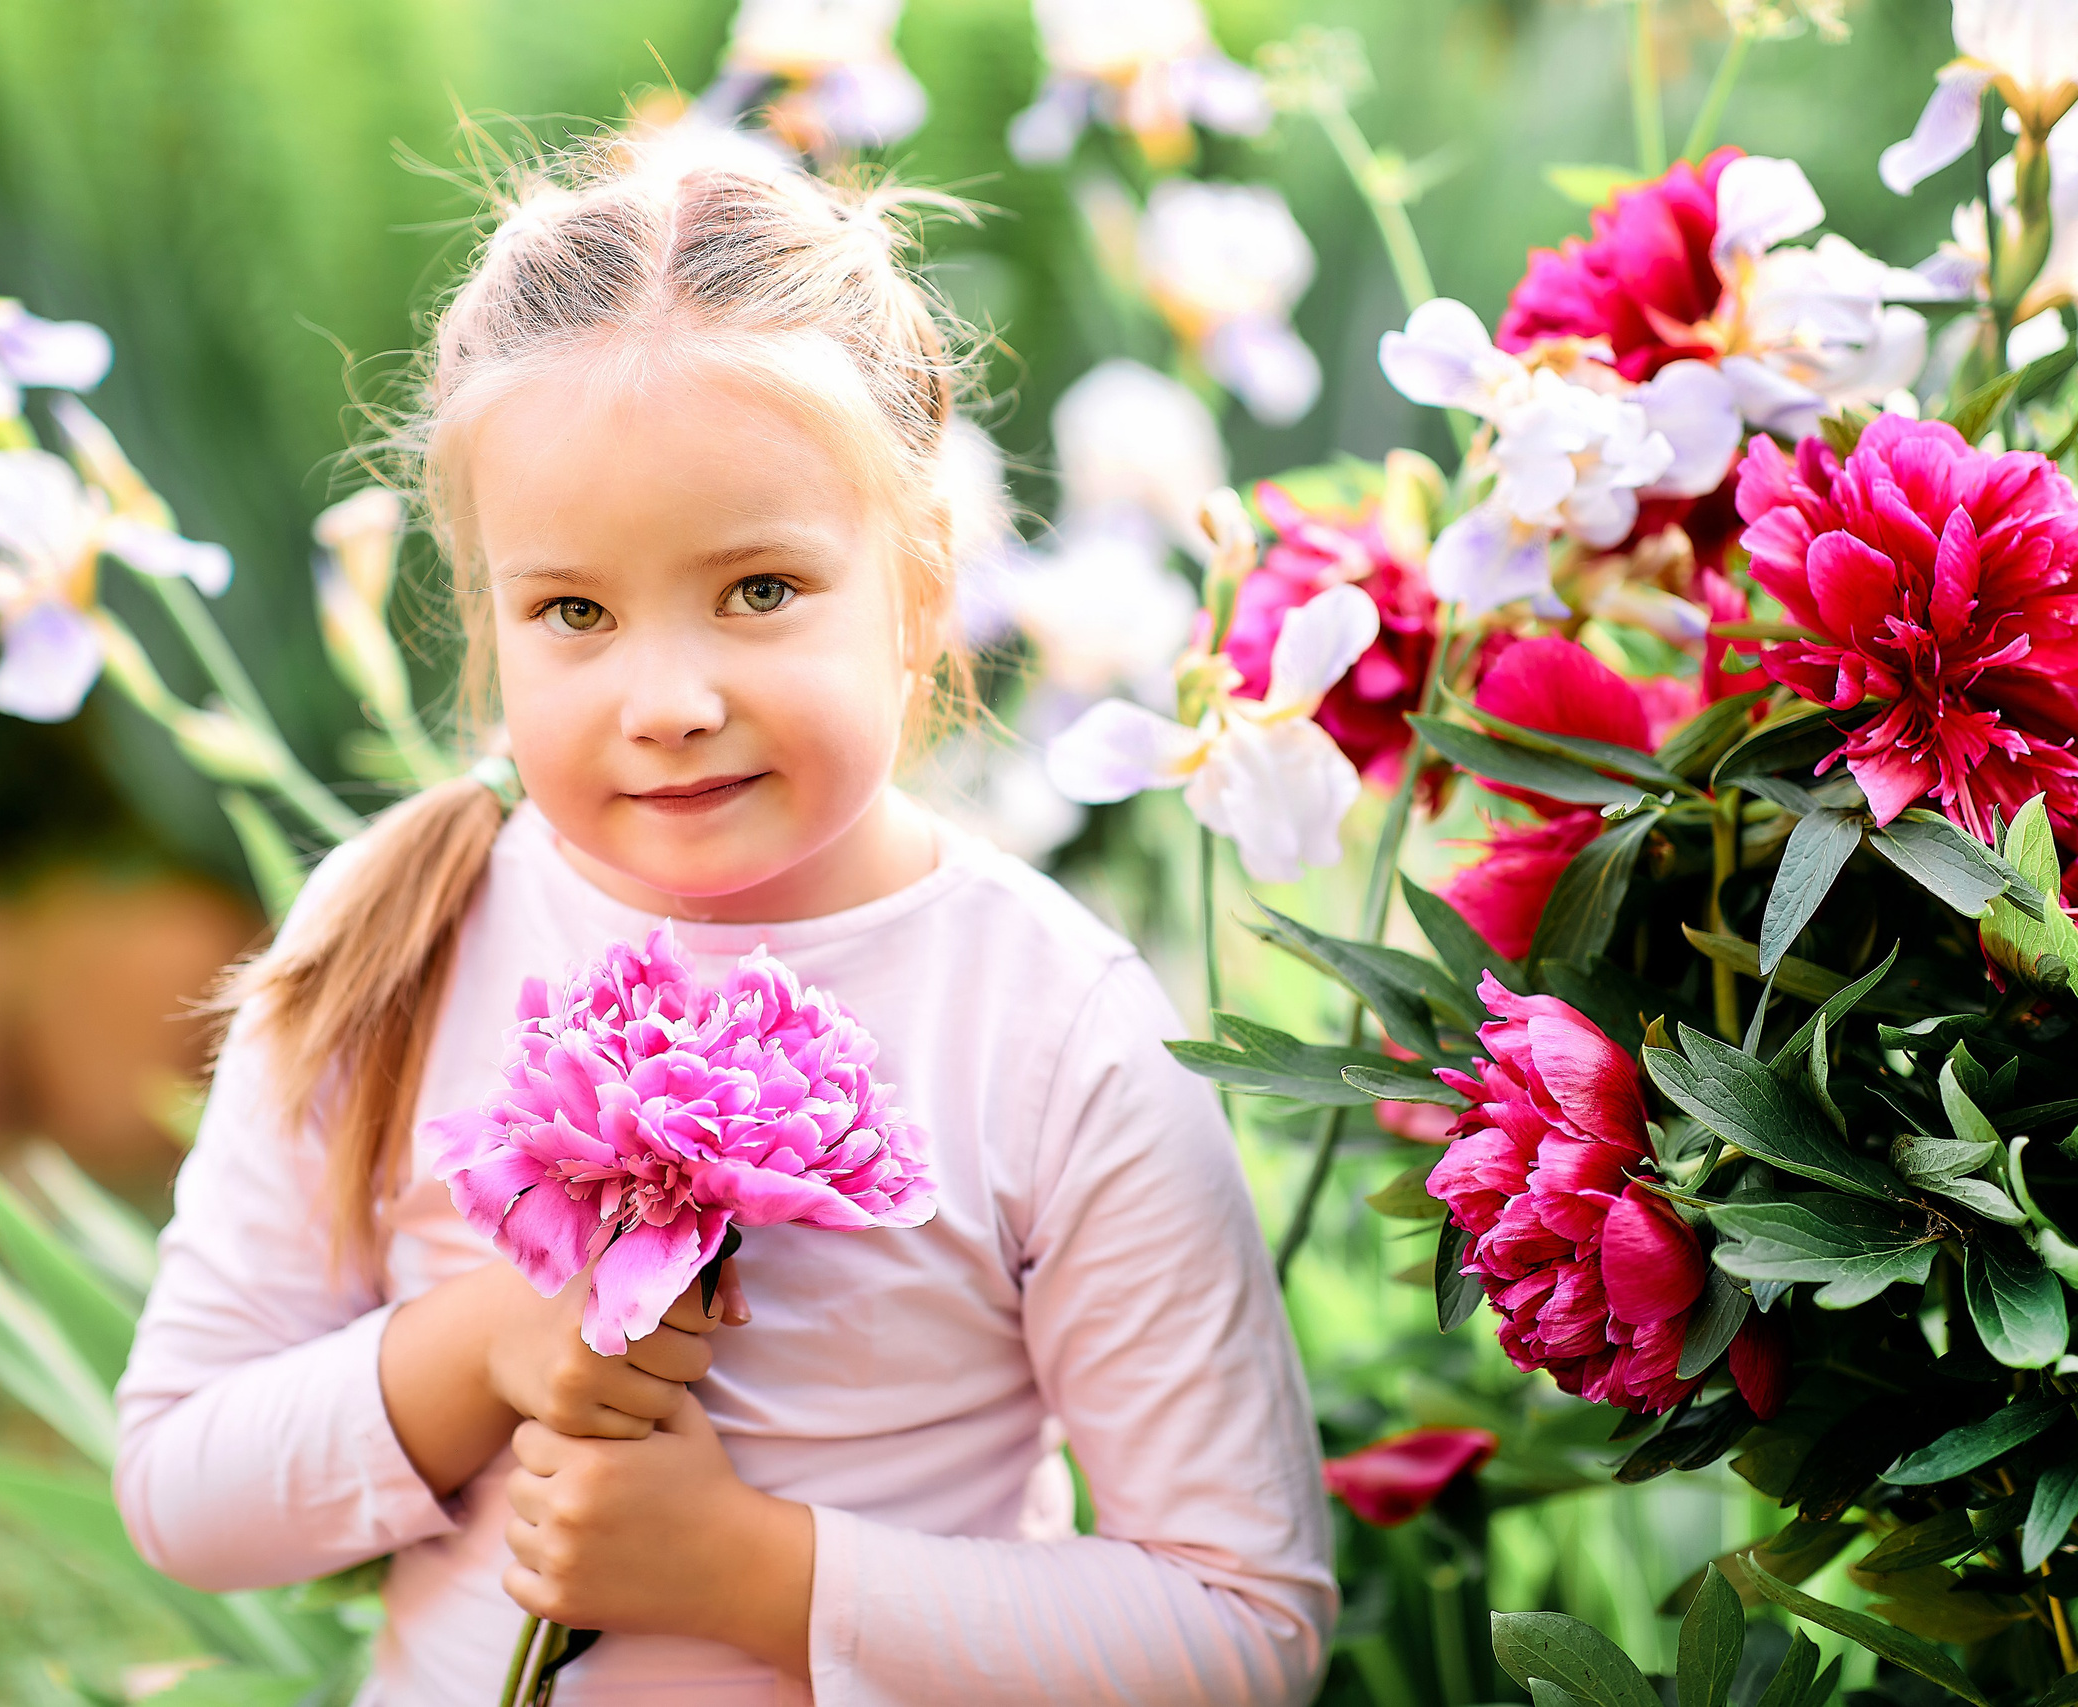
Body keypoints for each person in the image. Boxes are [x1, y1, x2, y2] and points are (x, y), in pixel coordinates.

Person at [111, 129, 1332, 1706]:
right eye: (574, 612)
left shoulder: (1053, 1032)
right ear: (484, 614)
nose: (670, 701)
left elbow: (1246, 1631)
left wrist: (757, 1575)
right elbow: (180, 1489)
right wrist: (479, 1347)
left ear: (922, 571)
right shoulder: (404, 934)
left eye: (759, 589)